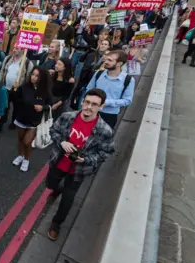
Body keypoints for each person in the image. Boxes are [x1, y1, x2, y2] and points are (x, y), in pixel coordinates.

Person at [45, 89, 115, 240]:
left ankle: (56, 223)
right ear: (82, 102)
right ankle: (56, 190)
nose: (89, 107)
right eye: (87, 102)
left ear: (101, 107)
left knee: (68, 200)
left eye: (94, 104)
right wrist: (62, 142)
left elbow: (105, 153)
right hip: (58, 162)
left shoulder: (105, 131)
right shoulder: (67, 117)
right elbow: (53, 130)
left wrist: (86, 159)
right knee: (50, 183)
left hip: (78, 171)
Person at [12, 67, 53, 172]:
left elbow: (49, 105)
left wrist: (42, 107)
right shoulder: (24, 87)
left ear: (42, 78)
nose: (33, 77)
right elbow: (15, 100)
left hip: (34, 121)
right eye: (32, 74)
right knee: (20, 139)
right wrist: (14, 90)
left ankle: (26, 159)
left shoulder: (45, 91)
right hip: (21, 117)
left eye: (37, 76)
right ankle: (20, 155)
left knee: (27, 141)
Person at [84, 49, 134, 128]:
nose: (105, 62)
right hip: (91, 111)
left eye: (110, 60)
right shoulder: (99, 73)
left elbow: (127, 100)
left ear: (119, 64)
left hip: (109, 116)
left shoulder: (128, 79)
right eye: (106, 59)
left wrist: (106, 102)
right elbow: (89, 89)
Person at [0, 48, 34, 129]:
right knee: (4, 107)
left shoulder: (28, 63)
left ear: (22, 50)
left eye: (17, 48)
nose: (14, 50)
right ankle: (1, 123)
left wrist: (22, 86)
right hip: (6, 88)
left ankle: (13, 123)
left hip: (18, 90)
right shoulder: (7, 58)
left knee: (16, 107)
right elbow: (2, 71)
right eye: (14, 48)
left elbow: (29, 79)